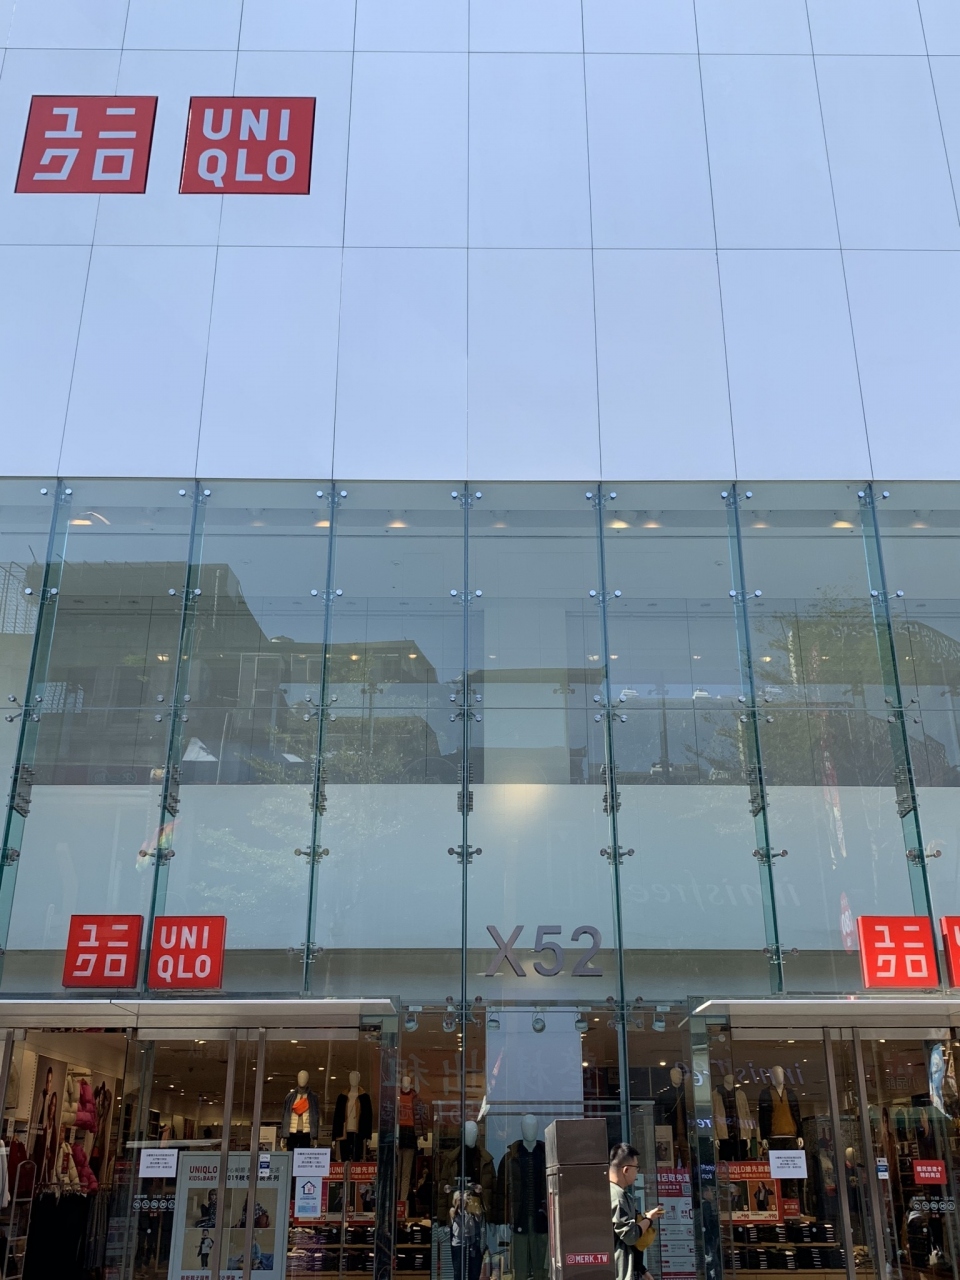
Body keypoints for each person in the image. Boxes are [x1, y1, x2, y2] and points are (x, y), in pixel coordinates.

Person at [609, 1144, 664, 1280]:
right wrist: (649, 1219)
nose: (637, 1173)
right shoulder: (617, 1196)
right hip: (620, 1272)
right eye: (636, 1167)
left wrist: (643, 1270)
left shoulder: (614, 1193)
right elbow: (630, 1236)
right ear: (626, 1170)